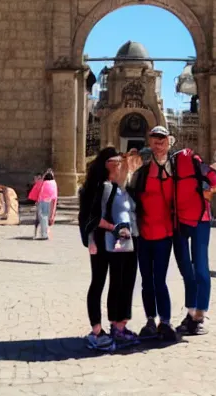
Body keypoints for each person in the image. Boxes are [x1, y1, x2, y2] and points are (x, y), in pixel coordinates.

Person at [132, 126, 177, 342]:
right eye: (155, 139)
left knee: (160, 280)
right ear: (150, 142)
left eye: (162, 139)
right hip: (144, 233)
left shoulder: (176, 170)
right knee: (146, 281)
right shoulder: (141, 173)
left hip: (164, 234)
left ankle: (165, 321)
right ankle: (150, 319)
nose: (158, 143)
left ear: (169, 142)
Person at [173, 149, 216, 336]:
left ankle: (195, 313)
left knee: (189, 269)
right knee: (200, 267)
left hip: (180, 222)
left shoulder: (172, 169)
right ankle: (197, 314)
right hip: (200, 221)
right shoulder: (203, 168)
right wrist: (209, 192)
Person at [93, 155, 140, 348]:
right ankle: (115, 324)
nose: (125, 167)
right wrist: (114, 228)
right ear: (112, 168)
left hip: (132, 241)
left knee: (128, 281)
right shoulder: (106, 188)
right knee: (118, 281)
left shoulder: (125, 190)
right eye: (121, 165)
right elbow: (97, 216)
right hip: (116, 242)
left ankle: (123, 324)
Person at [78, 146, 118, 351]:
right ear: (107, 163)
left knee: (114, 283)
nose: (119, 164)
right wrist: (92, 239)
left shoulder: (114, 184)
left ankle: (113, 326)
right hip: (101, 241)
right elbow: (90, 217)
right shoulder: (96, 186)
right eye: (116, 161)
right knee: (98, 283)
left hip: (114, 243)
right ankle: (96, 329)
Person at [28, 169, 58, 239]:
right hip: (50, 201)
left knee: (42, 218)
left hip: (42, 201)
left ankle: (44, 234)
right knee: (46, 218)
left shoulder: (42, 183)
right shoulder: (54, 183)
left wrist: (35, 200)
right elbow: (55, 195)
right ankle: (45, 232)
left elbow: (36, 192)